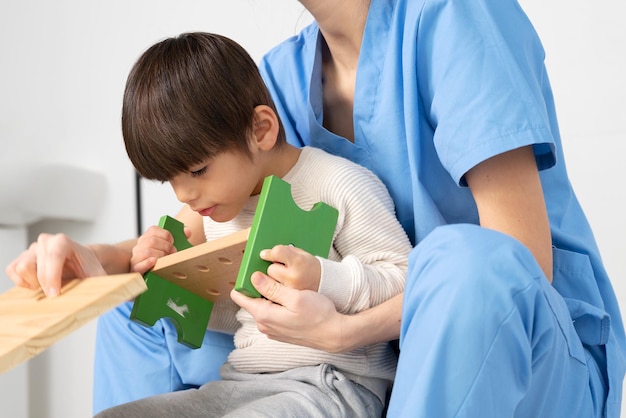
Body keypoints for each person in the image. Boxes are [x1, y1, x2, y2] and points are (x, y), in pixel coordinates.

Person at [6, 0, 625, 417]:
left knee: (464, 261)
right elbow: (192, 246)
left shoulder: (456, 18)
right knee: (137, 306)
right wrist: (97, 261)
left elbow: (518, 262)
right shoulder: (279, 77)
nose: (186, 186)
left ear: (260, 128)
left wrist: (344, 327)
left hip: (514, 349)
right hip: (311, 359)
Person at [26, 31, 413, 417]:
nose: (184, 196)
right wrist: (169, 277)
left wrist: (324, 279)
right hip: (242, 383)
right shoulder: (220, 210)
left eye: (198, 170)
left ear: (261, 130)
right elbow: (238, 313)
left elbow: (407, 280)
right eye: (170, 180)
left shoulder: (338, 183)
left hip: (331, 386)